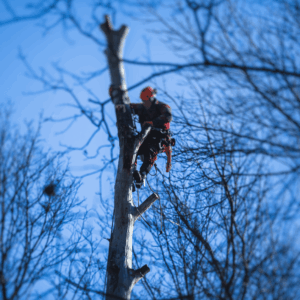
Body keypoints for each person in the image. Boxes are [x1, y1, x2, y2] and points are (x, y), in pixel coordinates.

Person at [130, 86, 173, 188]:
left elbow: (168, 117)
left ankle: (142, 175)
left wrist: (169, 162)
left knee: (150, 153)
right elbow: (129, 107)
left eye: (146, 101)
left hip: (157, 138)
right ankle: (133, 171)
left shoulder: (162, 107)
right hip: (145, 138)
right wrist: (119, 101)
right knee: (132, 151)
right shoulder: (142, 108)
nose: (145, 103)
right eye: (143, 101)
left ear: (151, 98)